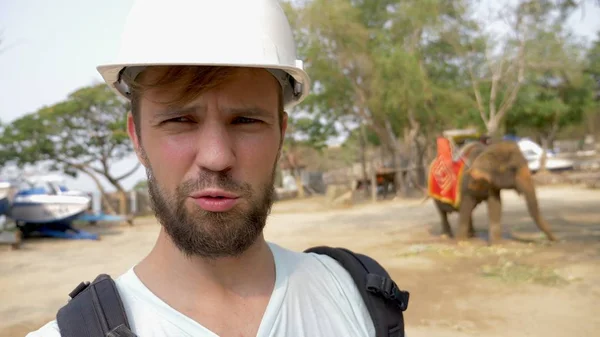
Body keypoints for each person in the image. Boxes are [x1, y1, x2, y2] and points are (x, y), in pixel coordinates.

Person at [26, 1, 407, 336]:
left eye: (246, 121)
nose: (216, 157)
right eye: (179, 120)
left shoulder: (357, 297)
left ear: (281, 134)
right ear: (137, 138)